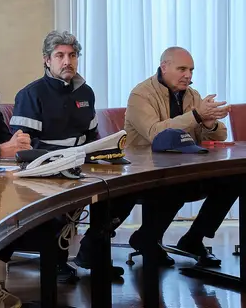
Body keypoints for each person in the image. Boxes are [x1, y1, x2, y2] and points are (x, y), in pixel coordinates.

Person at [92, 46, 236, 267]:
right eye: (182, 69)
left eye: (191, 70)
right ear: (164, 67)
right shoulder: (141, 94)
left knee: (234, 179)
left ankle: (193, 239)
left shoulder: (192, 95)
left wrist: (210, 123)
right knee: (175, 186)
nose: (188, 75)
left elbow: (218, 134)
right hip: (145, 174)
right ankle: (146, 238)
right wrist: (196, 115)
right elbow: (156, 134)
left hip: (183, 169)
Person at [10, 30, 123, 279]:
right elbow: (22, 146)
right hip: (46, 169)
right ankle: (54, 261)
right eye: (59, 55)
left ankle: (93, 254)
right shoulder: (31, 94)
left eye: (72, 55)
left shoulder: (86, 93)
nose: (67, 61)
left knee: (120, 193)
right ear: (46, 60)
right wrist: (62, 158)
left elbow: (93, 137)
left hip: (83, 163)